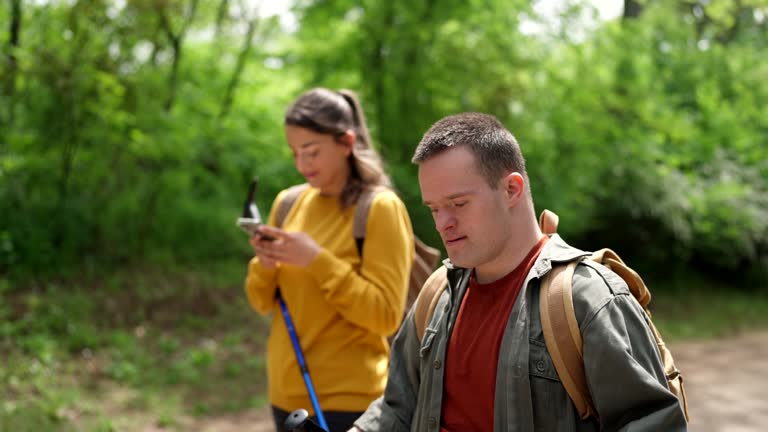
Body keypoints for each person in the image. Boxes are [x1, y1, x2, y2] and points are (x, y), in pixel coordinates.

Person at [350, 112, 688, 431]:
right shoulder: (438, 292)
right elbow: (397, 405)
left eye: (458, 204)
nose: (443, 224)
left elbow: (653, 421)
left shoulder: (587, 298)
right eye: (434, 208)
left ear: (512, 189)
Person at [244, 88, 415, 432]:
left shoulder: (380, 208)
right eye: (294, 153)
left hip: (351, 403)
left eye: (312, 151)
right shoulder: (288, 203)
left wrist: (316, 260)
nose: (302, 164)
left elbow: (384, 316)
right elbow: (262, 302)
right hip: (286, 395)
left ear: (346, 142)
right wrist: (265, 264)